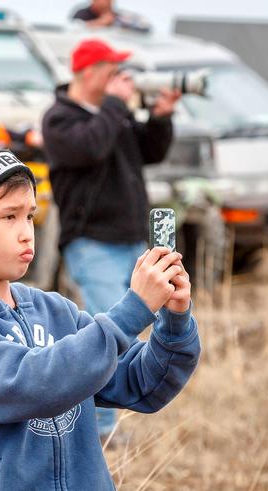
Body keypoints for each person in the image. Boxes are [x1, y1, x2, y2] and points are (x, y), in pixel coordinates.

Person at [0, 148, 199, 490]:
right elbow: (33, 383)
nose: (27, 232)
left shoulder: (56, 311)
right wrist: (133, 309)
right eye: (8, 217)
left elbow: (143, 383)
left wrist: (175, 320)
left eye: (30, 215)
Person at [41, 38, 180, 442]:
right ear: (88, 73)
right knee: (109, 333)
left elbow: (148, 152)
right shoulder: (59, 120)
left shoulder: (111, 115)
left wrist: (160, 118)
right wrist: (117, 106)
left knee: (138, 329)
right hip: (92, 242)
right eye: (112, 70)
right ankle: (100, 431)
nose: (122, 78)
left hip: (130, 238)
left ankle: (110, 422)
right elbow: (91, 148)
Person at [70, 0, 151, 32]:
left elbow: (145, 27)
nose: (107, 2)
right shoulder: (82, 14)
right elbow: (74, 28)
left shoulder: (119, 16)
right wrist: (100, 23)